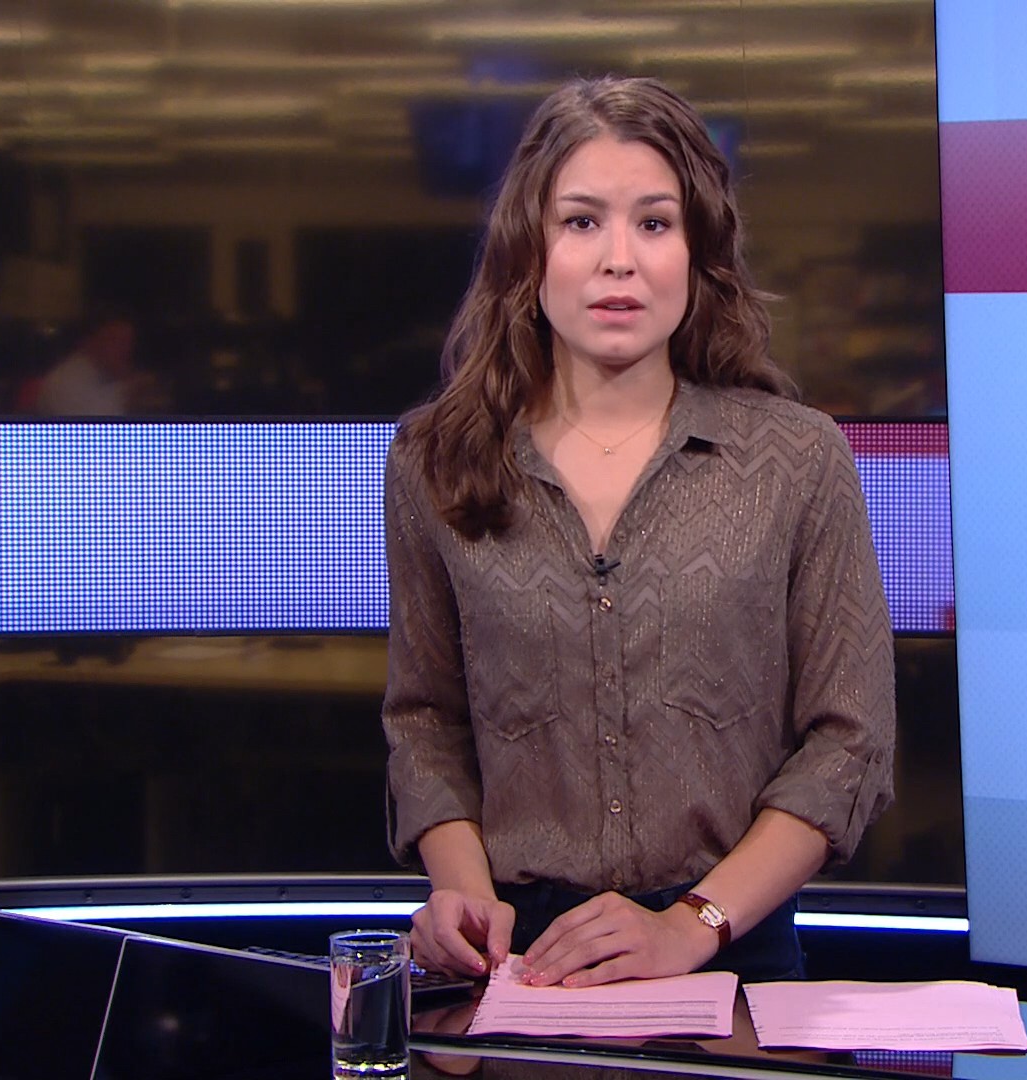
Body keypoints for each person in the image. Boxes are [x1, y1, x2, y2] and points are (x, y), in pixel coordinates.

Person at [381, 75, 894, 990]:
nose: (619, 259)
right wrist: (461, 893)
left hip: (730, 948)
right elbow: (426, 720)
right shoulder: (436, 460)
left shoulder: (796, 459)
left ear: (698, 252)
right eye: (581, 222)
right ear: (529, 250)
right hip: (521, 963)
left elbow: (848, 740)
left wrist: (691, 926)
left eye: (654, 223)